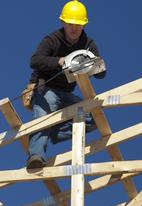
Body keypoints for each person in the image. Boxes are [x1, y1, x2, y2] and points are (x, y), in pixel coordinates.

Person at [26, 0, 106, 169]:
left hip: (67, 93)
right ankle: (36, 156)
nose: (74, 28)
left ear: (84, 25)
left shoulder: (88, 44)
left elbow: (102, 73)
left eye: (78, 24)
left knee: (93, 118)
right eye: (70, 24)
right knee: (42, 118)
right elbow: (34, 61)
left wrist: (92, 64)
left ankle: (50, 134)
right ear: (63, 22)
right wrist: (59, 61)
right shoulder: (52, 40)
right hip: (45, 88)